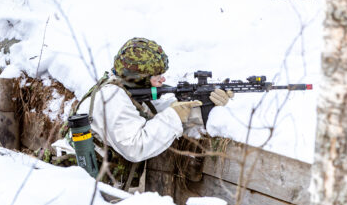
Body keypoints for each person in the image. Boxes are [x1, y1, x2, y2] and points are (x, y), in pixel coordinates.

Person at [73, 37, 232, 185]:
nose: (163, 80)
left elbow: (159, 110)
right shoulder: (113, 98)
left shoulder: (127, 89)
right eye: (156, 76)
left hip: (93, 183)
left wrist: (205, 105)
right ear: (138, 77)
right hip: (81, 185)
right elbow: (135, 147)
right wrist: (175, 115)